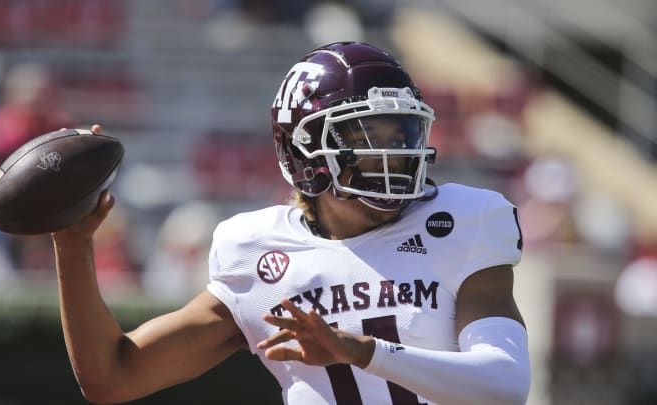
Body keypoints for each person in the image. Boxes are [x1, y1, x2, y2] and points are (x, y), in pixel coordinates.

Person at [51, 42, 530, 405]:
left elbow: (504, 384)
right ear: (304, 152)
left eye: (401, 135)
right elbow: (112, 377)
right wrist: (72, 245)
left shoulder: (462, 222)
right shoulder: (258, 253)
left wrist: (360, 351)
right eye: (367, 138)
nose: (393, 156)